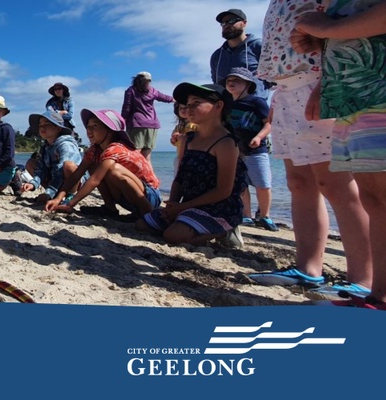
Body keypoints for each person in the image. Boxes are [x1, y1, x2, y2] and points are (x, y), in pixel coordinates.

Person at [246, 0, 373, 302]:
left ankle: (363, 278)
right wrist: (277, 97)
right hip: (286, 89)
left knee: (336, 184)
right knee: (298, 182)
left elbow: (344, 25)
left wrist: (328, 80)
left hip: (319, 80)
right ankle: (308, 268)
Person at [289, 0, 385, 309]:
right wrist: (326, 40)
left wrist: (329, 28)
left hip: (378, 86)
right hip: (353, 94)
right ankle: (379, 296)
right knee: (374, 197)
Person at [135, 83, 247, 247]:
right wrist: (172, 205)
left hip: (218, 208)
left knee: (173, 235)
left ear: (218, 106)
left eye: (196, 103)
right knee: (143, 225)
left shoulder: (226, 143)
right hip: (188, 205)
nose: (189, 109)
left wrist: (182, 207)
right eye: (187, 105)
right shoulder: (188, 139)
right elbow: (180, 177)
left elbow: (223, 191)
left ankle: (225, 231)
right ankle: (188, 221)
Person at [45, 109, 161, 223]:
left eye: (95, 126)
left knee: (113, 170)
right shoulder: (94, 150)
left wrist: (70, 204)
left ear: (110, 131)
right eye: (88, 127)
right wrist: (58, 198)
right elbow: (76, 175)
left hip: (149, 197)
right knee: (94, 166)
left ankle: (148, 213)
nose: (89, 130)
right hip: (126, 196)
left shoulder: (116, 148)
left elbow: (95, 180)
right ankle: (110, 208)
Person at [222, 67, 278, 231]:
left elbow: (269, 123)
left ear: (248, 84)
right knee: (241, 185)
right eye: (228, 81)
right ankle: (246, 215)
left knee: (263, 183)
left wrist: (259, 136)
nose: (231, 83)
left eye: (236, 80)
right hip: (235, 150)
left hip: (256, 149)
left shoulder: (257, 101)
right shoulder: (227, 104)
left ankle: (265, 216)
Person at [19, 110, 83, 204]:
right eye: (40, 125)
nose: (42, 128)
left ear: (58, 128)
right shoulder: (46, 147)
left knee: (68, 165)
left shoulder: (66, 145)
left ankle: (70, 195)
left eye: (47, 124)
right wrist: (33, 184)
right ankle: (55, 195)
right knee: (31, 163)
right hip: (55, 179)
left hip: (72, 182)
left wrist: (50, 192)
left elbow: (60, 170)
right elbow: (42, 168)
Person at [210, 8, 270, 99]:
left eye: (231, 21)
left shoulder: (259, 46)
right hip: (226, 108)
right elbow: (216, 84)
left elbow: (273, 76)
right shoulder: (216, 56)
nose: (226, 25)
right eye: (223, 23)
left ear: (244, 23)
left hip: (253, 107)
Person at [121, 72, 174, 162]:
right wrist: (175, 100)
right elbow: (164, 97)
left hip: (136, 124)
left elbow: (127, 107)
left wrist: (122, 120)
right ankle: (149, 176)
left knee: (134, 153)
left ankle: (134, 175)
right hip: (152, 125)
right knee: (147, 156)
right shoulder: (152, 90)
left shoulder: (131, 90)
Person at [170, 102, 198, 175]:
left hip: (192, 156)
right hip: (180, 156)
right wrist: (173, 139)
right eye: (181, 108)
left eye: (185, 108)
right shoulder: (178, 127)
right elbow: (174, 142)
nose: (183, 110)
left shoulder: (195, 124)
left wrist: (181, 137)